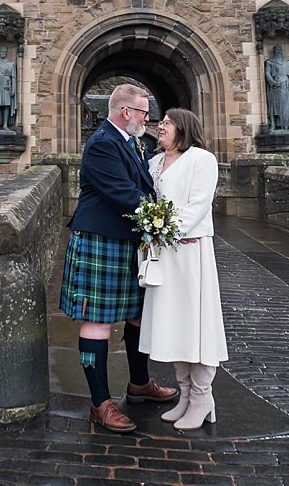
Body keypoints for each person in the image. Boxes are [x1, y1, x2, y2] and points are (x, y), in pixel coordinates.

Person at [59, 84, 178, 433]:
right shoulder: (102, 144)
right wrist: (165, 220)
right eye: (144, 112)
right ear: (126, 112)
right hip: (100, 241)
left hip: (128, 242)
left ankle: (139, 385)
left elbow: (144, 186)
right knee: (97, 321)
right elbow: (124, 195)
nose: (147, 119)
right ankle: (100, 403)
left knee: (138, 315)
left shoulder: (131, 142)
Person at [138, 107, 228, 431]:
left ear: (183, 128)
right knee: (175, 325)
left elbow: (198, 205)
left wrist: (163, 229)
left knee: (197, 326)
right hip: (164, 256)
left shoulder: (201, 160)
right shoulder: (153, 163)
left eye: (166, 123)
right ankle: (186, 396)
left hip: (191, 253)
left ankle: (203, 397)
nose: (159, 126)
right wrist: (150, 229)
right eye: (159, 122)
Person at [264, 44, 289, 132]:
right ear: (274, 51)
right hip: (276, 87)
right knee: (273, 106)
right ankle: (273, 125)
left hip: (287, 86)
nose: (278, 51)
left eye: (280, 50)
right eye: (277, 50)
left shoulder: (288, 62)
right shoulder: (270, 62)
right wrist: (274, 83)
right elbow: (267, 74)